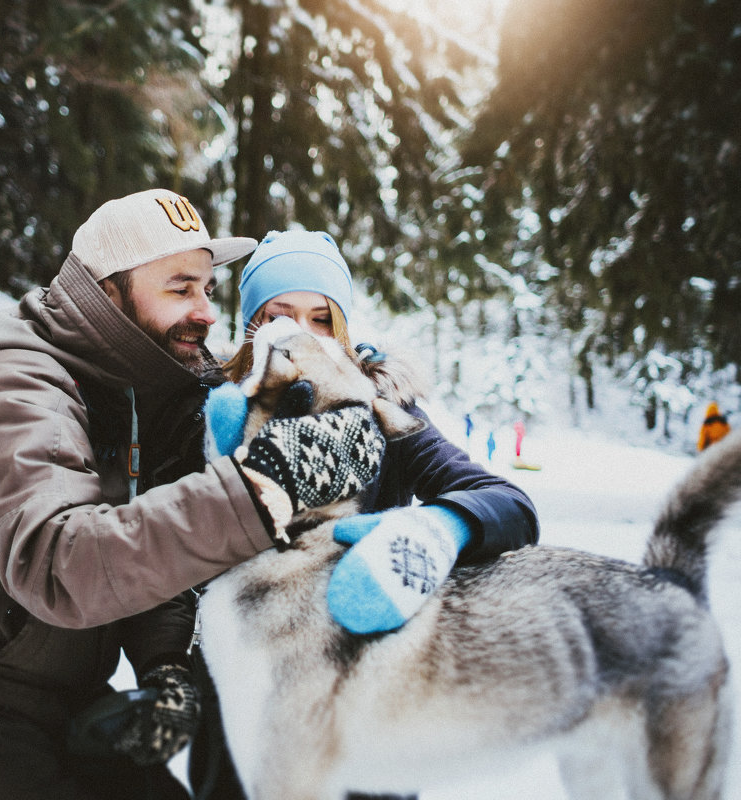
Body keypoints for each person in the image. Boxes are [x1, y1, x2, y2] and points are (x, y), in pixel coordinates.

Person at [0, 191, 371, 799]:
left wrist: (165, 666)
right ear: (106, 293)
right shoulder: (16, 393)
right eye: (180, 289)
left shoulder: (128, 394)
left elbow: (135, 546)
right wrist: (262, 488)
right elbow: (61, 560)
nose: (207, 313)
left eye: (208, 290)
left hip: (65, 696)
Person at [189, 230, 540, 800]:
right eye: (278, 316)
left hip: (364, 696)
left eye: (321, 318)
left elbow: (509, 505)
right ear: (251, 325)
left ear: (344, 329)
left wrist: (437, 527)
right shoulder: (211, 411)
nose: (300, 335)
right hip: (243, 691)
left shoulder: (383, 408)